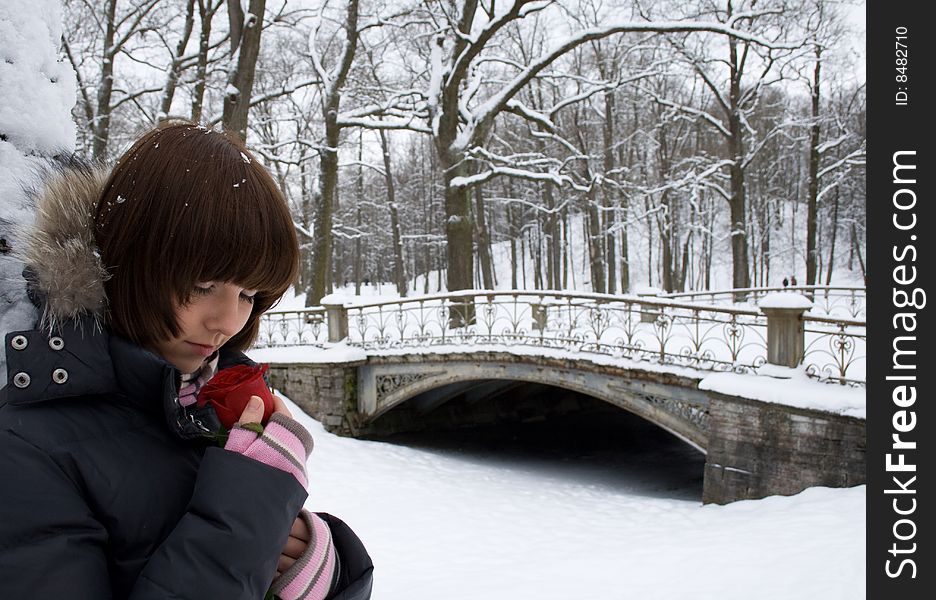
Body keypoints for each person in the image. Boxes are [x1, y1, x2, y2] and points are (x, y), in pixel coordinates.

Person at [0, 121, 373, 599]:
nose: (228, 322)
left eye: (249, 294)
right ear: (132, 261)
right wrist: (249, 514)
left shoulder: (197, 403)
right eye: (202, 286)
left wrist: (316, 567)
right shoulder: (26, 448)